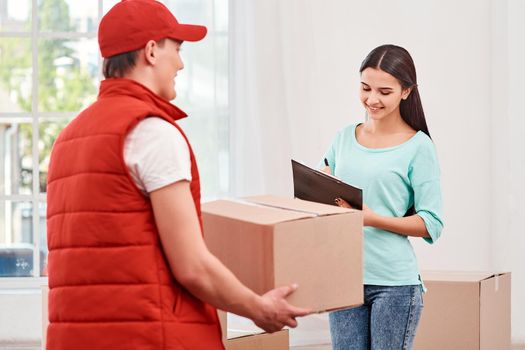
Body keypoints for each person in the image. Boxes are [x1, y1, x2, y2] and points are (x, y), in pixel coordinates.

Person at [45, 1, 309, 349]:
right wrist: (259, 309)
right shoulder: (150, 131)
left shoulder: (69, 137)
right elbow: (192, 266)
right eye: (178, 49)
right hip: (148, 336)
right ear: (152, 51)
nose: (181, 63)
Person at [321, 44, 444, 350]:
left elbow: (432, 223)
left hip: (394, 285)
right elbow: (322, 187)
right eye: (365, 88)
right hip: (345, 277)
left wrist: (372, 219)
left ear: (406, 91)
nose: (372, 100)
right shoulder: (343, 138)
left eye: (384, 92)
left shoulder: (418, 147)